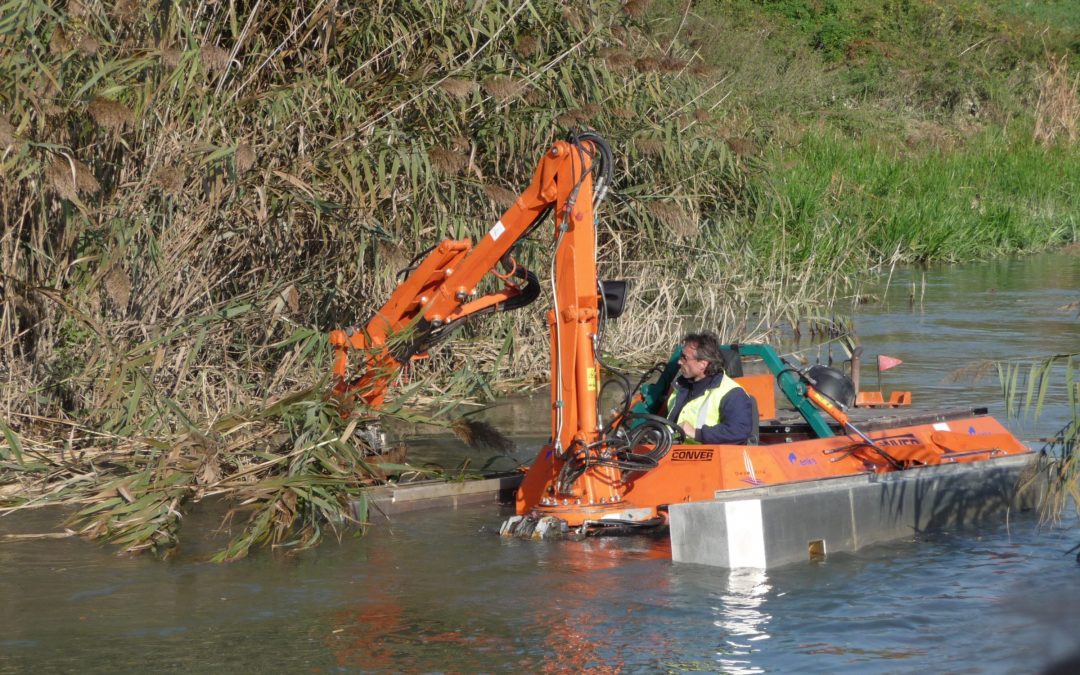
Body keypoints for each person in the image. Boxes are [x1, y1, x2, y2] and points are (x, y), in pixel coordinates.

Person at [666, 332, 756, 444]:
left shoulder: (732, 393)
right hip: (671, 452)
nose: (679, 361)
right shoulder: (679, 386)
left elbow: (739, 431)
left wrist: (696, 433)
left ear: (703, 364)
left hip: (707, 457)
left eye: (685, 358)